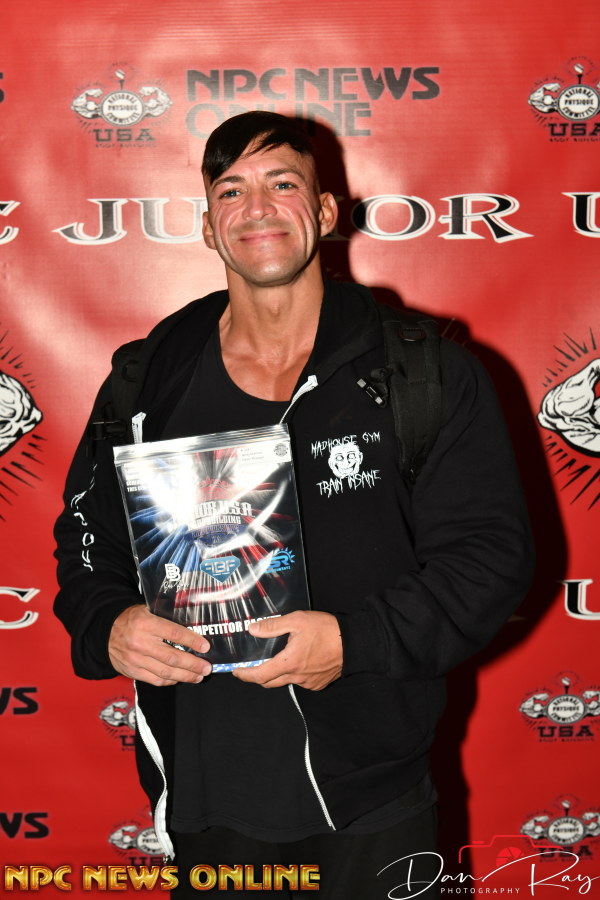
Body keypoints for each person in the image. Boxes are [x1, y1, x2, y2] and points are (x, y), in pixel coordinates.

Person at [54, 111, 533, 898]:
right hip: (206, 795)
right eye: (231, 190)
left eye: (283, 184)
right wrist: (109, 624)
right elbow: (86, 540)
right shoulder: (145, 381)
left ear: (324, 210)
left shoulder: (422, 372)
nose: (258, 208)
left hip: (373, 798)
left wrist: (354, 641)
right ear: (208, 225)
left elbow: (488, 558)